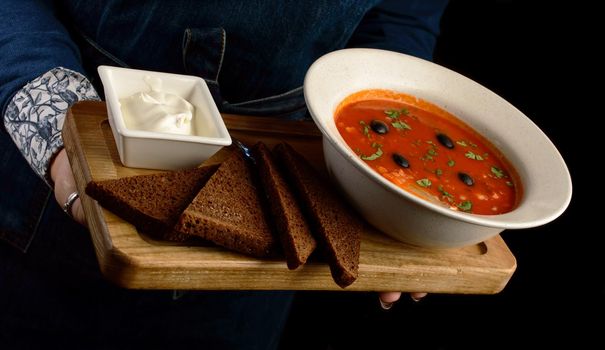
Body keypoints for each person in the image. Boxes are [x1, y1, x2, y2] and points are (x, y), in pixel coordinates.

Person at [0, 0, 447, 348]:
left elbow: (399, 19)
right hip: (50, 232)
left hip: (258, 271)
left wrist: (381, 176)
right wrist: (62, 142)